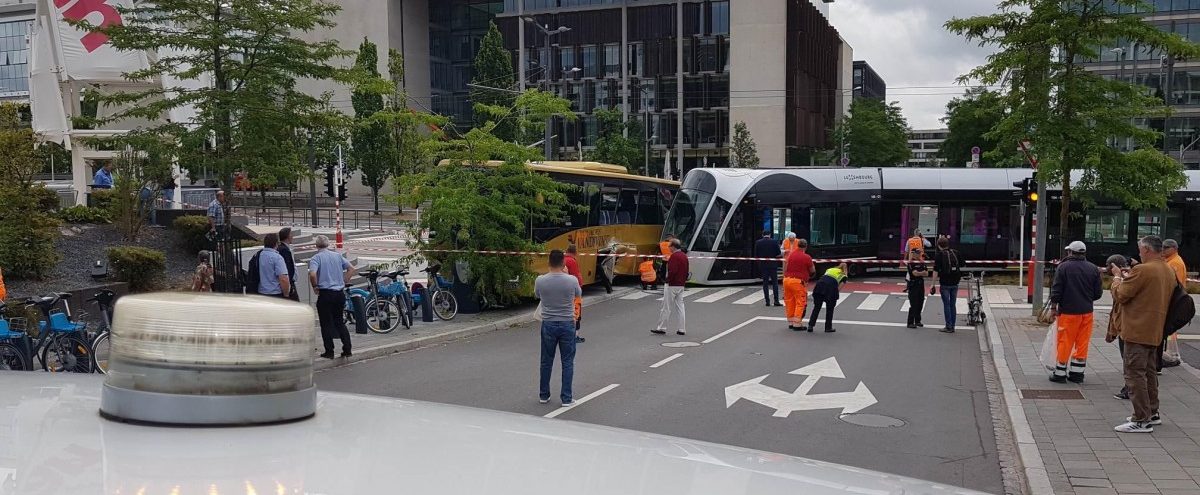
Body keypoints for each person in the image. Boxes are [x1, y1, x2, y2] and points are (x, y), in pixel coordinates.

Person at [1107, 235, 1176, 433]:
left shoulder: (1144, 270)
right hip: (1154, 329)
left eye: (1140, 249)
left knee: (1134, 373)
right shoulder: (1166, 269)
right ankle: (1152, 412)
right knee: (1149, 372)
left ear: (1146, 249)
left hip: (1137, 330)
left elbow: (1120, 294)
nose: (1138, 253)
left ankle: (1141, 419)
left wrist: (1118, 278)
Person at [1048, 241, 1103, 384]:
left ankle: (1060, 373)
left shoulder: (1063, 267)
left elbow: (1056, 290)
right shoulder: (1093, 268)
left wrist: (1054, 308)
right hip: (1087, 312)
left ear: (1071, 252)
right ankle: (1077, 374)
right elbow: (1098, 294)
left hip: (1068, 312)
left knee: (1065, 341)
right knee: (1082, 342)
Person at [536, 249, 582, 407]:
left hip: (548, 323)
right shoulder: (571, 280)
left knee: (546, 360)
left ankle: (544, 394)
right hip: (567, 323)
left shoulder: (540, 280)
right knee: (567, 361)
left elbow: (537, 295)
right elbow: (578, 294)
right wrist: (568, 274)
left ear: (549, 262)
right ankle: (566, 398)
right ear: (563, 263)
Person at [308, 235, 353, 359]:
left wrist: (315, 286)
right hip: (339, 293)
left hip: (326, 293)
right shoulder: (337, 256)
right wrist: (343, 281)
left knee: (326, 323)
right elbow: (351, 268)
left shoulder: (316, 258)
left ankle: (329, 351)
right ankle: (347, 348)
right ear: (328, 244)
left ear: (316, 246)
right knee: (339, 321)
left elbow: (312, 274)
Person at [653, 238, 688, 336]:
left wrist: (667, 280)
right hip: (681, 284)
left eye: (669, 246)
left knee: (666, 307)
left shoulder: (674, 257)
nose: (668, 248)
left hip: (672, 285)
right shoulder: (684, 256)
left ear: (673, 246)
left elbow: (672, 271)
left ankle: (661, 328)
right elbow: (686, 271)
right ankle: (682, 329)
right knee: (680, 307)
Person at [1161, 239, 1186, 371]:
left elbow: (1174, 284)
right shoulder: (1171, 260)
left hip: (1172, 301)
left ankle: (1171, 355)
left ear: (1174, 248)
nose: (1163, 250)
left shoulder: (1175, 263)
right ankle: (1170, 354)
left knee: (1169, 330)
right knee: (1170, 331)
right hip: (1172, 301)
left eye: (1165, 248)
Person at [932, 237, 965, 333]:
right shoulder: (956, 252)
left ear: (939, 245)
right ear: (947, 244)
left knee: (946, 304)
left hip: (945, 283)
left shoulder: (939, 255)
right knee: (952, 304)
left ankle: (948, 326)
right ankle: (953, 326)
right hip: (955, 282)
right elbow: (963, 265)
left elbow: (935, 270)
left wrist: (933, 284)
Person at [783, 238, 815, 331]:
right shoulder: (807, 257)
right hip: (797, 282)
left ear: (797, 245)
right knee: (800, 302)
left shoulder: (791, 254)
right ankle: (797, 324)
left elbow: (786, 266)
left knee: (789, 301)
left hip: (787, 280)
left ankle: (791, 322)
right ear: (806, 246)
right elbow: (812, 270)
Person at [807, 263, 848, 333]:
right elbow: (838, 289)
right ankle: (828, 327)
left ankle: (810, 326)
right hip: (830, 289)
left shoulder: (830, 270)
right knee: (830, 309)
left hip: (819, 286)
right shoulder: (844, 276)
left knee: (817, 307)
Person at [255, 233, 291, 299]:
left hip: (261, 293)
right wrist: (286, 294)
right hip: (275, 293)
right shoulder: (277, 257)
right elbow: (283, 278)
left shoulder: (258, 255)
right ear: (276, 243)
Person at [754, 231, 783, 307]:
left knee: (765, 283)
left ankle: (767, 301)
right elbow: (778, 253)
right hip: (773, 265)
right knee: (775, 283)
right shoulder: (774, 242)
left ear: (762, 235)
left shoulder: (758, 242)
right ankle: (776, 301)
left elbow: (756, 254)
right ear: (770, 235)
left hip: (763, 265)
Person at [564, 244, 585, 343]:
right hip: (574, 292)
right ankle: (575, 336)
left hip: (565, 292)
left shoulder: (563, 259)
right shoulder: (571, 261)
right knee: (577, 314)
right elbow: (575, 276)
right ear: (575, 252)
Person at [906, 249, 929, 328]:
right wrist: (921, 273)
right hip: (913, 284)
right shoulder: (911, 263)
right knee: (914, 303)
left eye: (920, 253)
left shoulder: (922, 262)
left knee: (920, 302)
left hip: (920, 284)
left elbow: (927, 273)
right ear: (913, 253)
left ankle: (918, 320)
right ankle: (910, 322)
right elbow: (914, 273)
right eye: (917, 253)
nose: (919, 254)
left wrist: (920, 273)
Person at [277, 227, 299, 301]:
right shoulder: (284, 250)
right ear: (287, 236)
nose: (292, 236)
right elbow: (288, 267)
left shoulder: (283, 248)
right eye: (291, 234)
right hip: (289, 283)